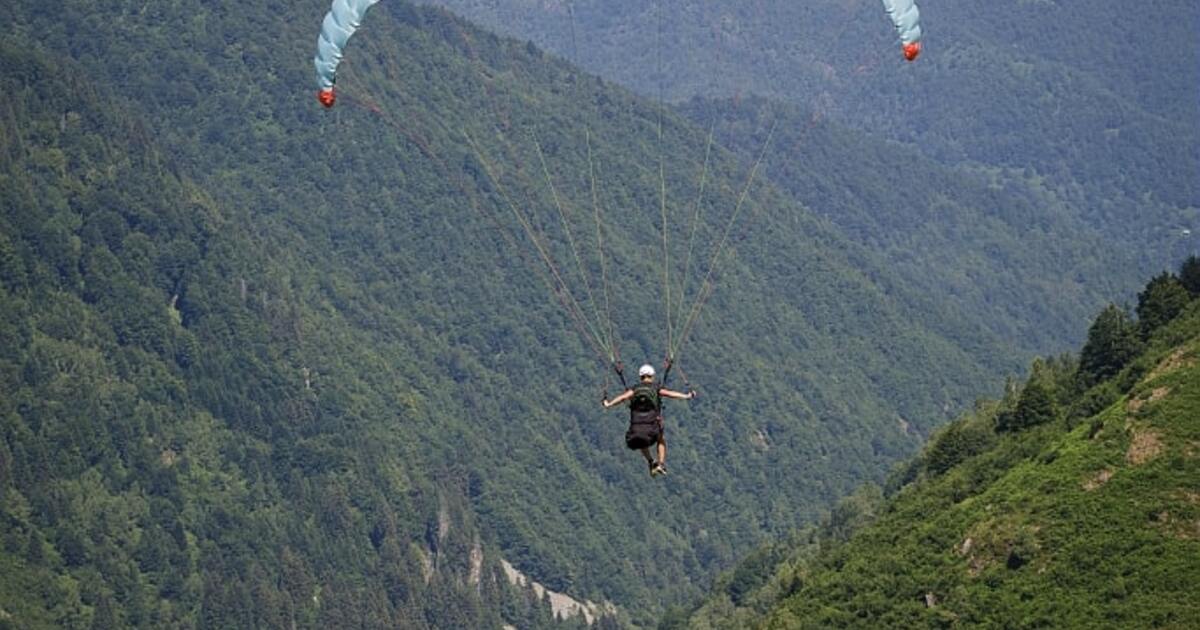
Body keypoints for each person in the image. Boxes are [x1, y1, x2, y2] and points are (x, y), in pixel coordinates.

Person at [602, 363, 694, 477]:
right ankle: (660, 463)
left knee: (640, 438)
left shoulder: (635, 389)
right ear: (652, 376)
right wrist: (687, 396)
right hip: (652, 427)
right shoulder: (656, 388)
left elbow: (623, 397)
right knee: (660, 439)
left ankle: (651, 461)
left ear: (641, 377)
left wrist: (608, 404)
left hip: (636, 430)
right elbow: (671, 394)